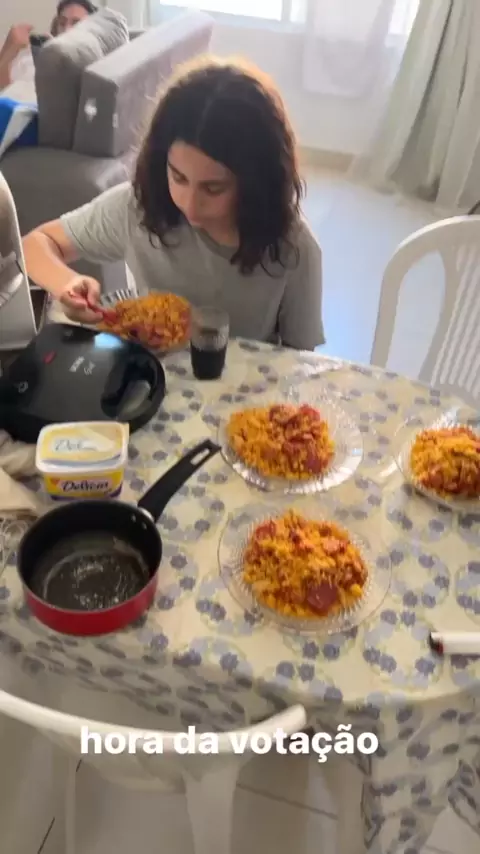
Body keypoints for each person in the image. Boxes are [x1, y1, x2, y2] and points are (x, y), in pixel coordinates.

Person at [22, 58, 325, 350]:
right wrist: (67, 284)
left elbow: (299, 360)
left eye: (213, 188)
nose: (189, 206)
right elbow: (35, 244)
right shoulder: (137, 208)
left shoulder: (293, 247)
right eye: (178, 177)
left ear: (254, 182)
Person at [0, 0, 97, 91]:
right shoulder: (30, 62)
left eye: (76, 23)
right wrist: (8, 50)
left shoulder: (96, 68)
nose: (67, 29)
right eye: (62, 23)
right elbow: (5, 91)